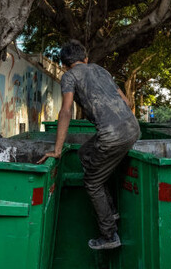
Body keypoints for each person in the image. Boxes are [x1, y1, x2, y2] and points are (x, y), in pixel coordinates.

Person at [38, 40, 140, 250]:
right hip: (133, 129)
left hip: (111, 136)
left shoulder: (69, 76)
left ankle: (109, 234)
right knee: (85, 152)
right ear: (85, 59)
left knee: (92, 183)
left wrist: (57, 150)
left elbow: (66, 111)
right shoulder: (101, 70)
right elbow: (127, 102)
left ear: (64, 65)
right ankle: (110, 211)